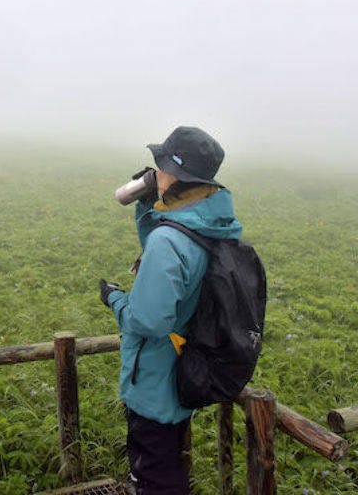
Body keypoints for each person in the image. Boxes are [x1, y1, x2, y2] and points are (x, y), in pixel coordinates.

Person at [99, 126, 242, 494]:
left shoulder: (169, 241)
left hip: (155, 380)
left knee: (154, 478)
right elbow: (176, 249)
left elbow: (148, 319)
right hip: (186, 368)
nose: (154, 170)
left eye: (160, 164)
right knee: (169, 464)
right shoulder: (215, 223)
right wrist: (150, 205)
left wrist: (114, 299)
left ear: (175, 174)